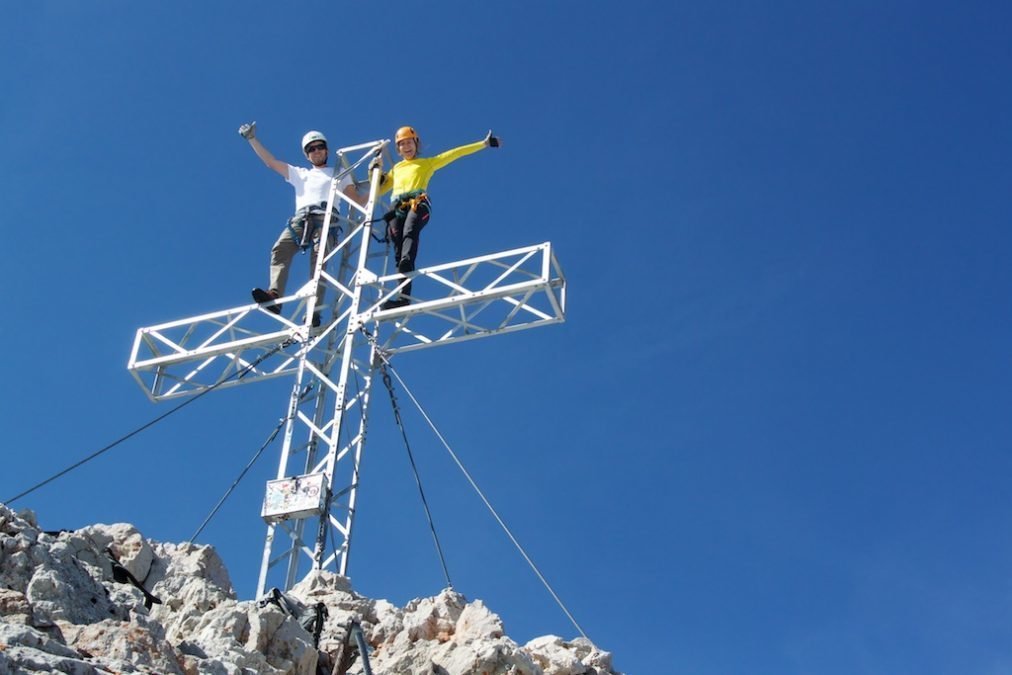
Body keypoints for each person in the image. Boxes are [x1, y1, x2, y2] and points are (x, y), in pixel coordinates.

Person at [238, 121, 362, 325]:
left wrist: (381, 181)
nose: (316, 151)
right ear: (307, 155)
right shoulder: (300, 174)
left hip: (325, 220)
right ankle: (274, 296)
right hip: (301, 220)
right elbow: (271, 162)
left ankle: (314, 311)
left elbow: (357, 200)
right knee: (280, 250)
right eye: (311, 149)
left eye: (319, 147)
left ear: (326, 149)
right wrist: (252, 139)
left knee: (319, 264)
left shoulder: (339, 173)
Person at [370, 126, 500, 308]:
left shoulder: (427, 163)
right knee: (398, 250)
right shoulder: (396, 169)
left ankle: (406, 262)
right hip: (397, 208)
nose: (406, 147)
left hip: (417, 203)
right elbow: (377, 190)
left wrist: (483, 144)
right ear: (398, 150)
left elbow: (454, 154)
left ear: (416, 144)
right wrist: (374, 171)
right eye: (402, 144)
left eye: (409, 143)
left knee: (409, 232)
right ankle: (403, 298)